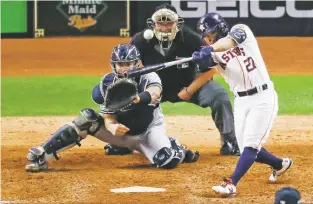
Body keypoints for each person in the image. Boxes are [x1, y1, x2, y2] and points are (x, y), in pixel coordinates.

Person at [25, 44, 199, 172]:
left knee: (168, 161)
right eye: (120, 64)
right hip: (122, 134)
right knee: (87, 119)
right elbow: (108, 116)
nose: (124, 68)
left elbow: (155, 92)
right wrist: (112, 127)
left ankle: (175, 147)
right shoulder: (107, 84)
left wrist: (138, 98)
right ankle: (43, 155)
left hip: (149, 132)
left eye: (128, 63)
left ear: (137, 64)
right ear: (113, 65)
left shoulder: (148, 76)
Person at [104, 3, 239, 156]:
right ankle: (122, 142)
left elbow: (209, 71)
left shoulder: (190, 39)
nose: (164, 27)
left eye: (169, 22)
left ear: (177, 23)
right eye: (160, 22)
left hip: (186, 86)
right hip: (152, 88)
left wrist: (189, 91)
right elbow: (130, 71)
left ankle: (229, 140)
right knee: (126, 94)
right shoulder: (140, 41)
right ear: (153, 24)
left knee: (218, 95)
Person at [191, 13, 293, 196]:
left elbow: (228, 43)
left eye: (210, 34)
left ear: (219, 28)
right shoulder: (214, 52)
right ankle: (280, 164)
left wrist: (210, 49)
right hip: (241, 101)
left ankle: (231, 183)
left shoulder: (240, 31)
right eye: (206, 37)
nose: (209, 39)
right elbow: (205, 64)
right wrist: (198, 58)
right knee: (245, 146)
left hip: (263, 97)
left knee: (251, 145)